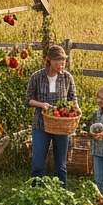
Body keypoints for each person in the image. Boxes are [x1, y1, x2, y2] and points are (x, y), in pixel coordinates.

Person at [25, 44, 77, 185]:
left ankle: (60, 193)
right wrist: (42, 105)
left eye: (64, 60)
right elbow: (28, 100)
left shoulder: (67, 78)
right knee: (38, 165)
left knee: (61, 166)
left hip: (61, 126)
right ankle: (37, 193)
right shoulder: (37, 77)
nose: (62, 63)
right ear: (49, 60)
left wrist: (75, 109)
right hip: (41, 124)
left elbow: (73, 98)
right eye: (58, 60)